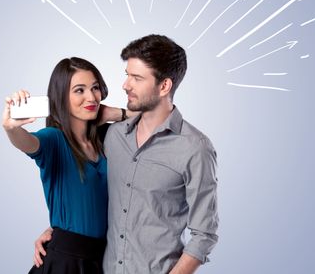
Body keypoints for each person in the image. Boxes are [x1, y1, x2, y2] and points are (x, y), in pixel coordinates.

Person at [34, 35, 219, 273]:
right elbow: (88, 191)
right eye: (127, 75)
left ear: (164, 86)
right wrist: (60, 236)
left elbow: (204, 235)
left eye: (137, 78)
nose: (125, 85)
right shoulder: (113, 137)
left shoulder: (195, 147)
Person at [2, 57, 128, 274]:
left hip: (101, 259)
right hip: (64, 263)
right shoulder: (54, 140)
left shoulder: (105, 138)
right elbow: (28, 143)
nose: (91, 97)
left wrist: (117, 113)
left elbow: (154, 119)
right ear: (62, 97)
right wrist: (11, 128)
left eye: (95, 88)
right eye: (79, 90)